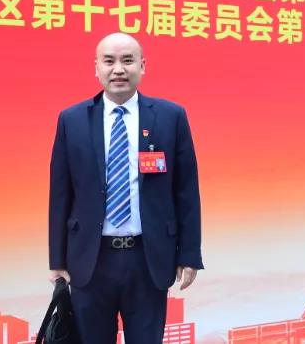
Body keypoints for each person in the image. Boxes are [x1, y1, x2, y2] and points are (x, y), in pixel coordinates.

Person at [48, 32, 203, 343]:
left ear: (142, 66)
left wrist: (189, 253)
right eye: (109, 61)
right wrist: (57, 261)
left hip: (148, 258)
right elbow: (60, 195)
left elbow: (186, 191)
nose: (118, 69)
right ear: (96, 68)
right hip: (90, 261)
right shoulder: (72, 120)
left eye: (127, 61)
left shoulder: (170, 117)